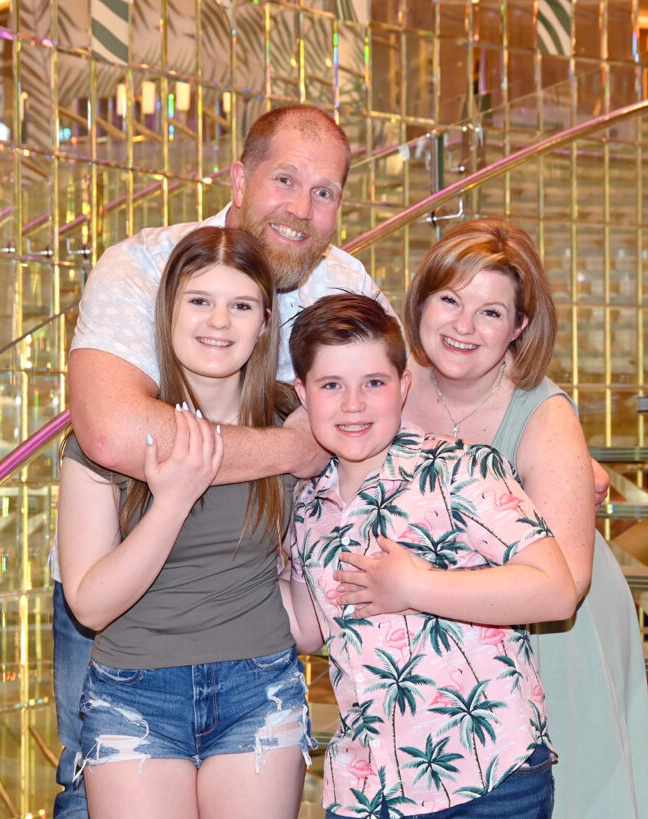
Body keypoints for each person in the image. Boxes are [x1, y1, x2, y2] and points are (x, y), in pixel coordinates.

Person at [53, 104, 393, 815]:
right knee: (84, 797)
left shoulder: (344, 286)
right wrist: (291, 447)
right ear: (239, 178)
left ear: (268, 324)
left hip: (254, 658)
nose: (301, 208)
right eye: (284, 180)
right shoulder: (145, 263)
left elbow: (405, 406)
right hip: (131, 641)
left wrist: (535, 444)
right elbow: (112, 434)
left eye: (324, 191)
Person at [346, 219, 648, 817]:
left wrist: (415, 586)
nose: (463, 326)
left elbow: (567, 582)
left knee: (569, 790)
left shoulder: (543, 412)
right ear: (421, 303)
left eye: (490, 312)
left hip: (547, 632)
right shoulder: (393, 384)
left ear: (519, 326)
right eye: (450, 300)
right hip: (430, 645)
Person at [282, 293, 578, 818]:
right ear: (303, 394)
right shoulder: (308, 506)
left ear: (403, 386)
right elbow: (308, 628)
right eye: (331, 386)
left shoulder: (460, 469)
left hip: (487, 777)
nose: (354, 404)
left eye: (374, 383)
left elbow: (555, 590)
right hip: (366, 787)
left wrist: (416, 587)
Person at [58, 226, 315, 818]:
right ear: (168, 311)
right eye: (200, 300)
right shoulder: (114, 438)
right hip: (134, 695)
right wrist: (172, 501)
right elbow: (90, 606)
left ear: (265, 324)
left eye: (241, 306)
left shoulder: (293, 426)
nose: (219, 322)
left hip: (259, 687)